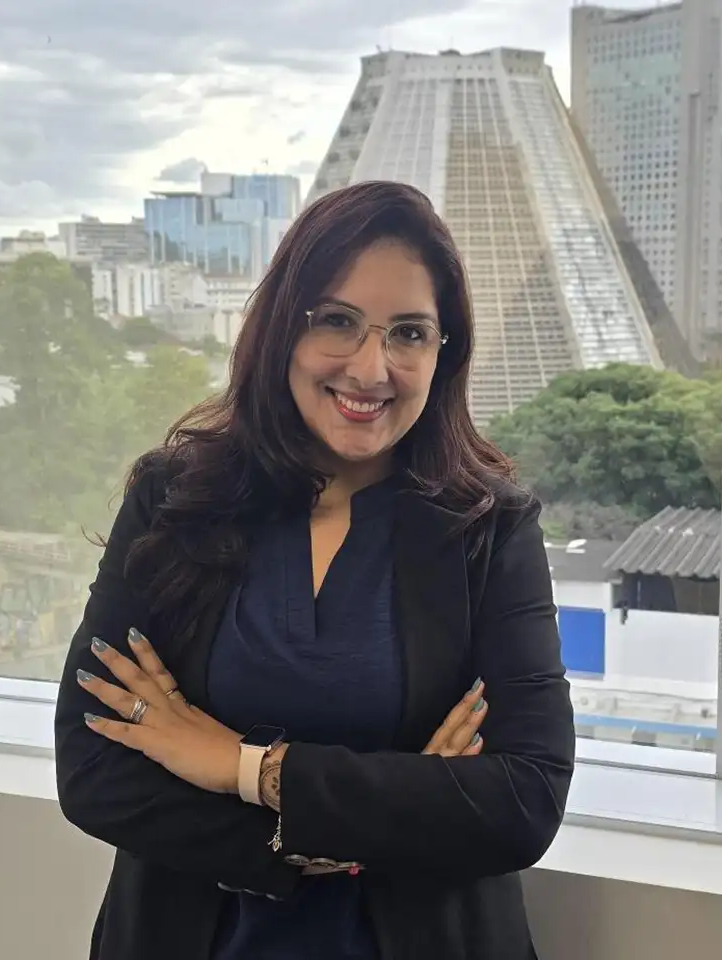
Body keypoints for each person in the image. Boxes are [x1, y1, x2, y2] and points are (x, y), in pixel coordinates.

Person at [55, 179, 575, 960]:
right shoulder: (175, 500)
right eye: (337, 321)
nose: (371, 369)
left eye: (408, 333)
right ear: (280, 332)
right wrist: (360, 821)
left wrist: (241, 768)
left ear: (445, 352)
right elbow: (93, 765)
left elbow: (522, 801)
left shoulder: (489, 531)